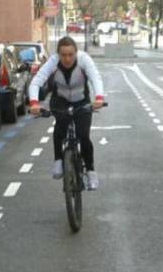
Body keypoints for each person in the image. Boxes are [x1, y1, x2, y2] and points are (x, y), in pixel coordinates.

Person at [28, 36, 106, 190]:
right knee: (60, 128)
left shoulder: (84, 60)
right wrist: (34, 103)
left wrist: (99, 98)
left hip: (81, 100)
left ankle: (90, 171)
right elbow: (37, 81)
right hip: (60, 100)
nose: (67, 58)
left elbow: (95, 78)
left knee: (84, 135)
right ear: (58, 54)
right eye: (63, 55)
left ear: (76, 53)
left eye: (71, 54)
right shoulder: (53, 61)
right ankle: (58, 160)